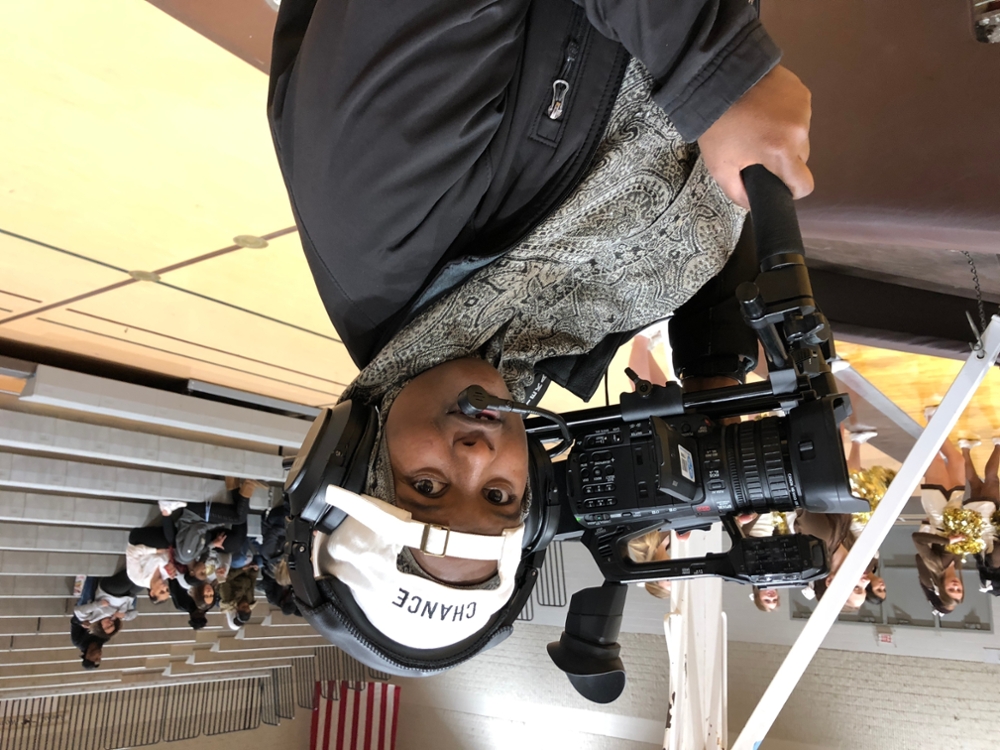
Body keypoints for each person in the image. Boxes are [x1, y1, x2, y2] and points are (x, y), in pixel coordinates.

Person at [269, 0, 812, 648]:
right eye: (498, 499)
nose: (476, 457)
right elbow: (669, 214)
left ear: (349, 459)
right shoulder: (529, 349)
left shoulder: (370, 210)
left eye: (427, 486)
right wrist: (715, 366)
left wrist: (716, 76)